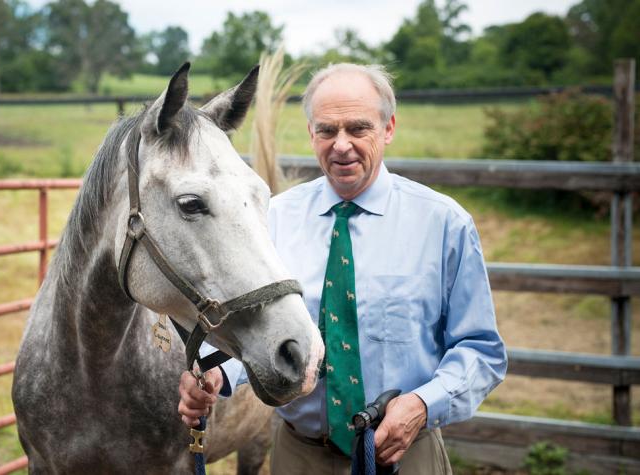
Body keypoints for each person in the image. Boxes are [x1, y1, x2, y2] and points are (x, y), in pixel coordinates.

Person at [177, 63, 507, 474]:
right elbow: (257, 331)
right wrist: (216, 376)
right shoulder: (274, 219)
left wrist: (423, 405)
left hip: (405, 455)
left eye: (358, 128)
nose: (342, 145)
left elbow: (481, 350)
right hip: (298, 456)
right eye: (327, 130)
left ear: (388, 128)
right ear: (312, 133)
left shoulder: (443, 224)